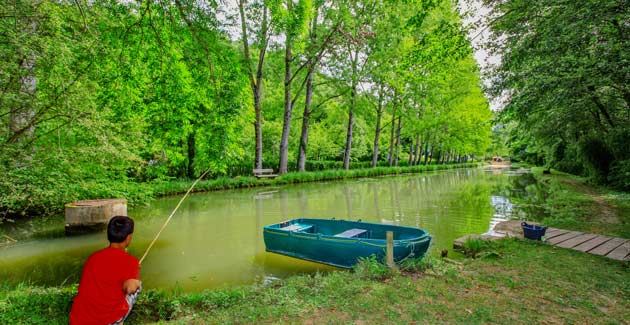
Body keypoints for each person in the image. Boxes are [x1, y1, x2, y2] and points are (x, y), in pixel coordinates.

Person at [70, 216, 141, 325]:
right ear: (129, 238)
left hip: (79, 319)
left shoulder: (93, 257)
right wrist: (135, 277)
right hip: (105, 320)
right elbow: (130, 288)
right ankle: (117, 321)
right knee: (138, 285)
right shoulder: (130, 261)